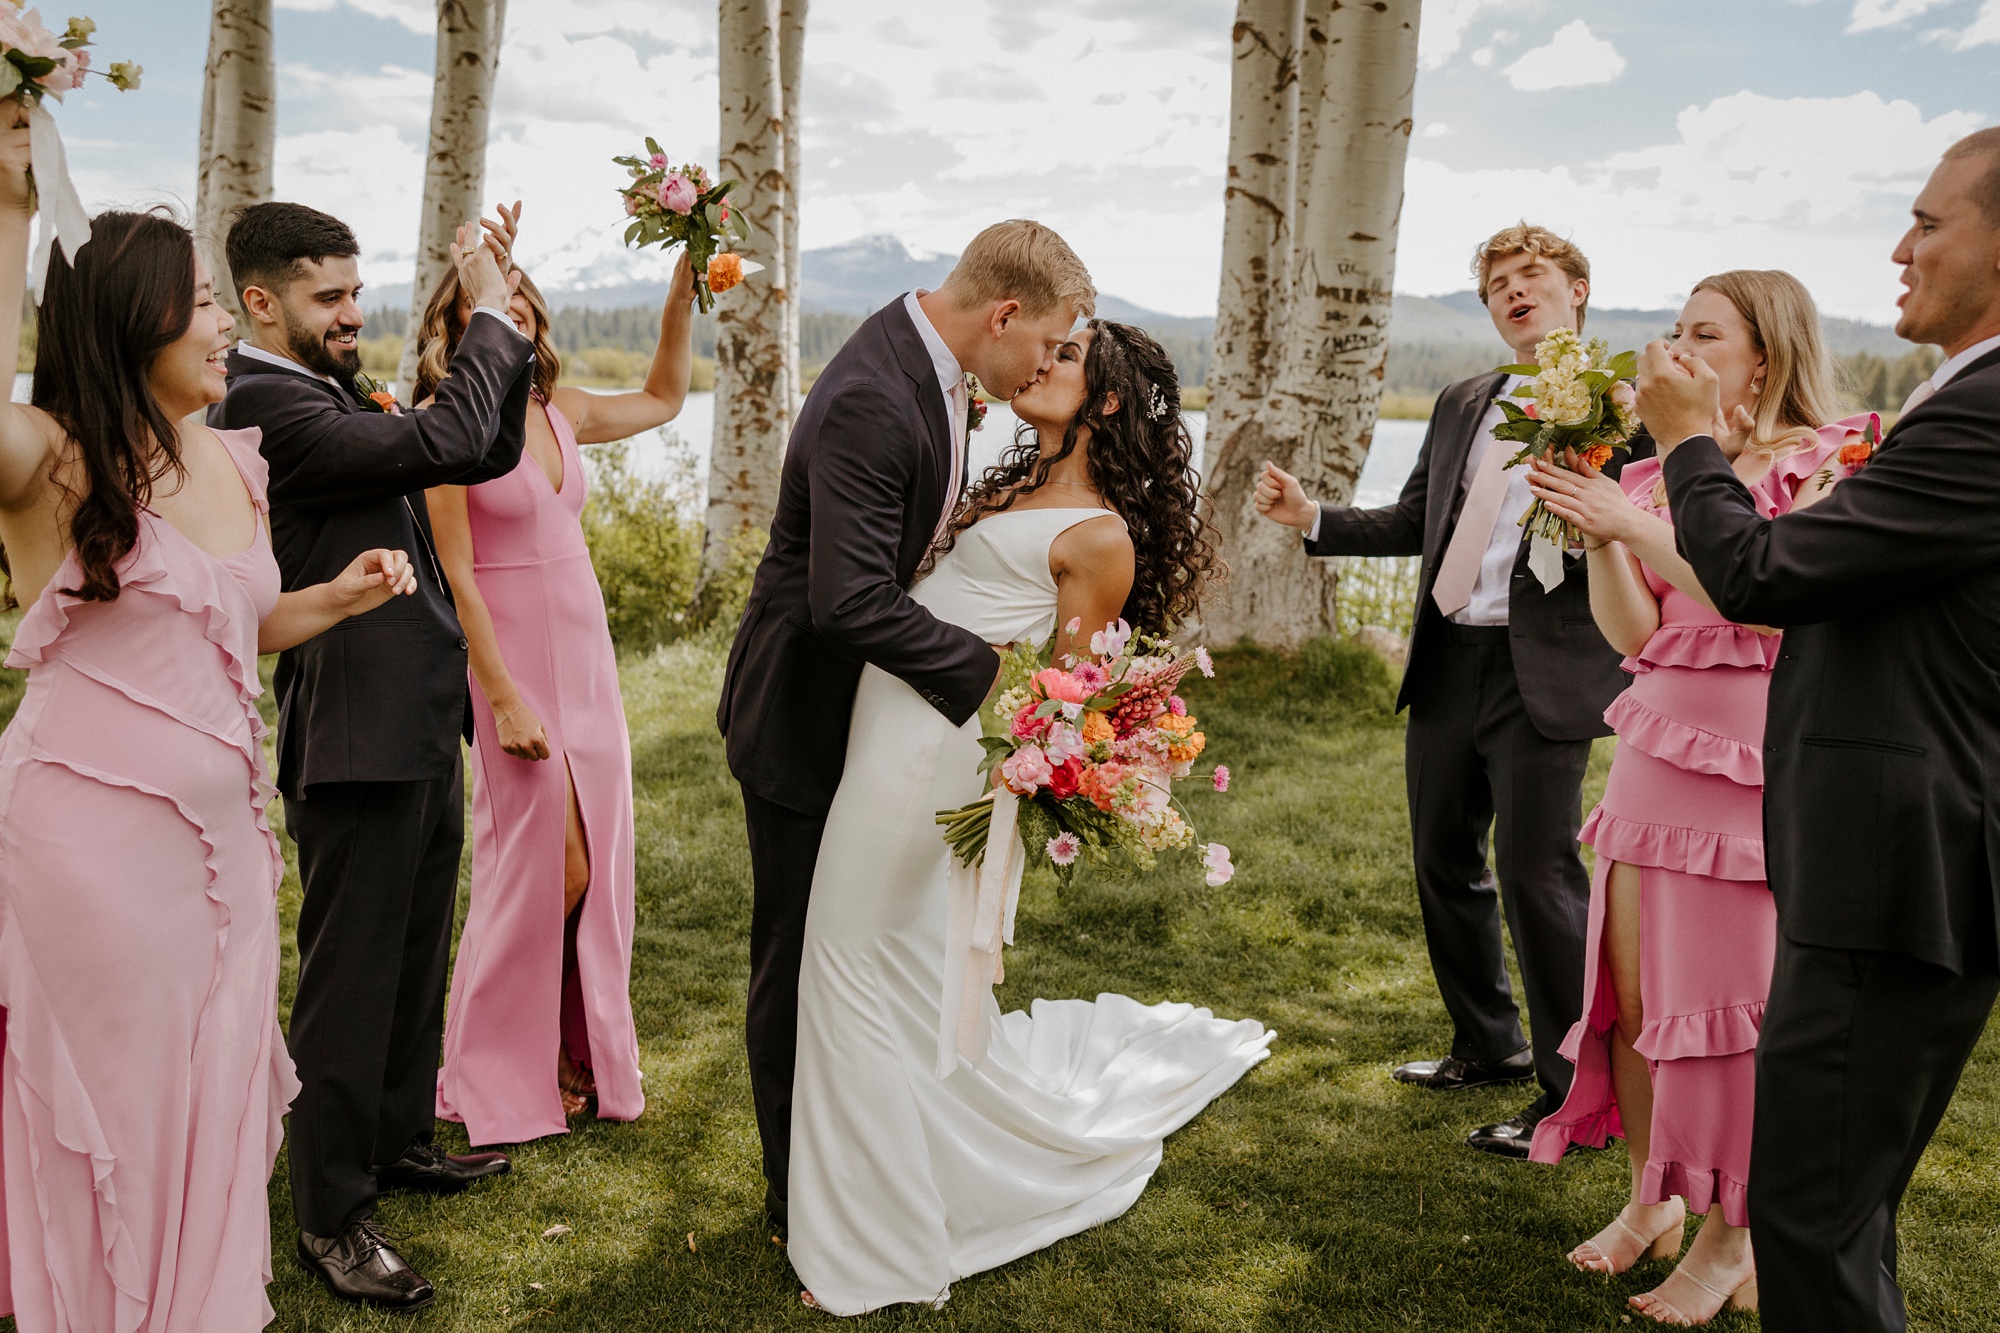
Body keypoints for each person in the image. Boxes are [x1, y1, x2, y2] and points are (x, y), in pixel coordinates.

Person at [0, 116, 418, 1329]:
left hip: (225, 853)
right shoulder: (56, 465)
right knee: (123, 1108)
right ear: (135, 320)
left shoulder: (238, 460)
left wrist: (330, 599)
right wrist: (15, 202)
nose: (229, 320)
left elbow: (230, 627)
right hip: (88, 855)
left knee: (214, 1086)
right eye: (201, 300)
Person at [788, 319, 1273, 1315]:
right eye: (1042, 349)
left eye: (1063, 360)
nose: (1038, 363)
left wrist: (1048, 764)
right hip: (884, 728)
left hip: (934, 756)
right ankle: (886, 1194)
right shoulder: (1007, 477)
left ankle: (875, 1243)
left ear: (1102, 401)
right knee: (879, 968)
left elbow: (1065, 693)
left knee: (847, 960)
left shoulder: (1096, 535)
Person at [1637, 130, 2000, 1333]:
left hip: (1896, 865)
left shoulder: (1983, 417)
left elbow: (1752, 571)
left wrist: (1686, 438)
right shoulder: (1958, 407)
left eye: (1927, 222)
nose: (1899, 249)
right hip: (1885, 857)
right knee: (1839, 1209)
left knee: (1807, 1216)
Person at [717, 220, 1091, 1235]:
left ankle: (855, 1154)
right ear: (1003, 314)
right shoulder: (877, 397)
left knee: (857, 939)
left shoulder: (926, 365)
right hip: (801, 706)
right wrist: (990, 675)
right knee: (797, 954)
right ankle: (798, 1196)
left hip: (867, 715)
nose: (1049, 363)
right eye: (1049, 343)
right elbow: (845, 599)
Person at [1254, 223, 1652, 1157]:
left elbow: (1646, 527)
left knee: (1537, 873)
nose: (1515, 292)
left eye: (1533, 276)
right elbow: (1417, 515)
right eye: (1497, 284)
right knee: (1442, 857)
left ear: (1577, 290)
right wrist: (1312, 515)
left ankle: (1574, 1095)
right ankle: (1488, 1043)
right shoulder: (1463, 399)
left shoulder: (1621, 404)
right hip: (1446, 658)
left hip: (1542, 668)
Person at [212, 202, 535, 1311]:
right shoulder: (258, 402)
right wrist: (485, 312)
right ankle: (331, 1213)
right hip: (350, 720)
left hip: (407, 713)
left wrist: (493, 303)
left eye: (356, 292)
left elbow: (477, 442)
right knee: (350, 981)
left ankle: (397, 1140)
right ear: (262, 303)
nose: (355, 313)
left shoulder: (318, 388)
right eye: (330, 297)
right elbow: (447, 439)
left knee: (410, 948)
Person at [1523, 271, 1863, 1325]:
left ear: (1762, 353)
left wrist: (1636, 520)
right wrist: (1596, 531)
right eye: (1674, 329)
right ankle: (1648, 1197)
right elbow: (1631, 634)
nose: (1676, 347)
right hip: (1651, 743)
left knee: (1724, 1014)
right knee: (1629, 996)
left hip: (1753, 756)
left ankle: (1730, 1236)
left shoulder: (1829, 457)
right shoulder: (1650, 474)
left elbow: (1761, 604)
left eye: (1702, 333)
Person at [418, 211, 697, 1143]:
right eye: (499, 304)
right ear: (459, 331)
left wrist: (681, 294)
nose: (520, 313)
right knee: (541, 865)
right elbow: (457, 573)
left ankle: (573, 1052)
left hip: (587, 656)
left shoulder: (560, 410)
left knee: (597, 862)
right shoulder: (440, 432)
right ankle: (483, 1063)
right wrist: (497, 692)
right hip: (515, 662)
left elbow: (663, 398)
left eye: (526, 300)